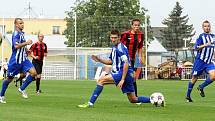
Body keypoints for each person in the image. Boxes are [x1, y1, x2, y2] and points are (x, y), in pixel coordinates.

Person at [78, 29, 150, 108]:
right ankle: (154, 100)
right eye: (112, 37)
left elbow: (126, 63)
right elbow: (110, 61)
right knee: (133, 99)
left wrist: (122, 79)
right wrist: (99, 59)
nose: (113, 39)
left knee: (101, 80)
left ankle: (90, 103)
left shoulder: (120, 48)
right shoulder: (115, 47)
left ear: (119, 38)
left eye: (115, 38)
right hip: (128, 74)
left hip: (123, 73)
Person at [0, 18, 37, 104]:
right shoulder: (16, 34)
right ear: (16, 25)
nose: (22, 25)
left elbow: (22, 45)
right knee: (9, 79)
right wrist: (27, 43)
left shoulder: (21, 34)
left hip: (23, 60)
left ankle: (22, 88)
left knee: (34, 73)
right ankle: (1, 95)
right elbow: (16, 46)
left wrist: (26, 50)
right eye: (20, 23)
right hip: (15, 61)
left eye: (22, 23)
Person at [185, 20, 215, 102]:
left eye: (208, 26)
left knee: (213, 76)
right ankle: (188, 96)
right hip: (200, 61)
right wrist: (205, 44)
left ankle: (201, 87)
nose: (207, 27)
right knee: (194, 78)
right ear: (203, 27)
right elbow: (196, 48)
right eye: (205, 26)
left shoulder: (213, 37)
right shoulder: (201, 37)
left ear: (210, 27)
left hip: (209, 62)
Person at [120, 18, 144, 97]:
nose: (137, 27)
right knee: (123, 76)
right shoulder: (125, 35)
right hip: (124, 59)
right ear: (132, 26)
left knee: (133, 77)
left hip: (132, 59)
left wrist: (140, 56)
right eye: (135, 25)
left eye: (138, 25)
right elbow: (120, 46)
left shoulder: (141, 35)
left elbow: (140, 47)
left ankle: (135, 96)